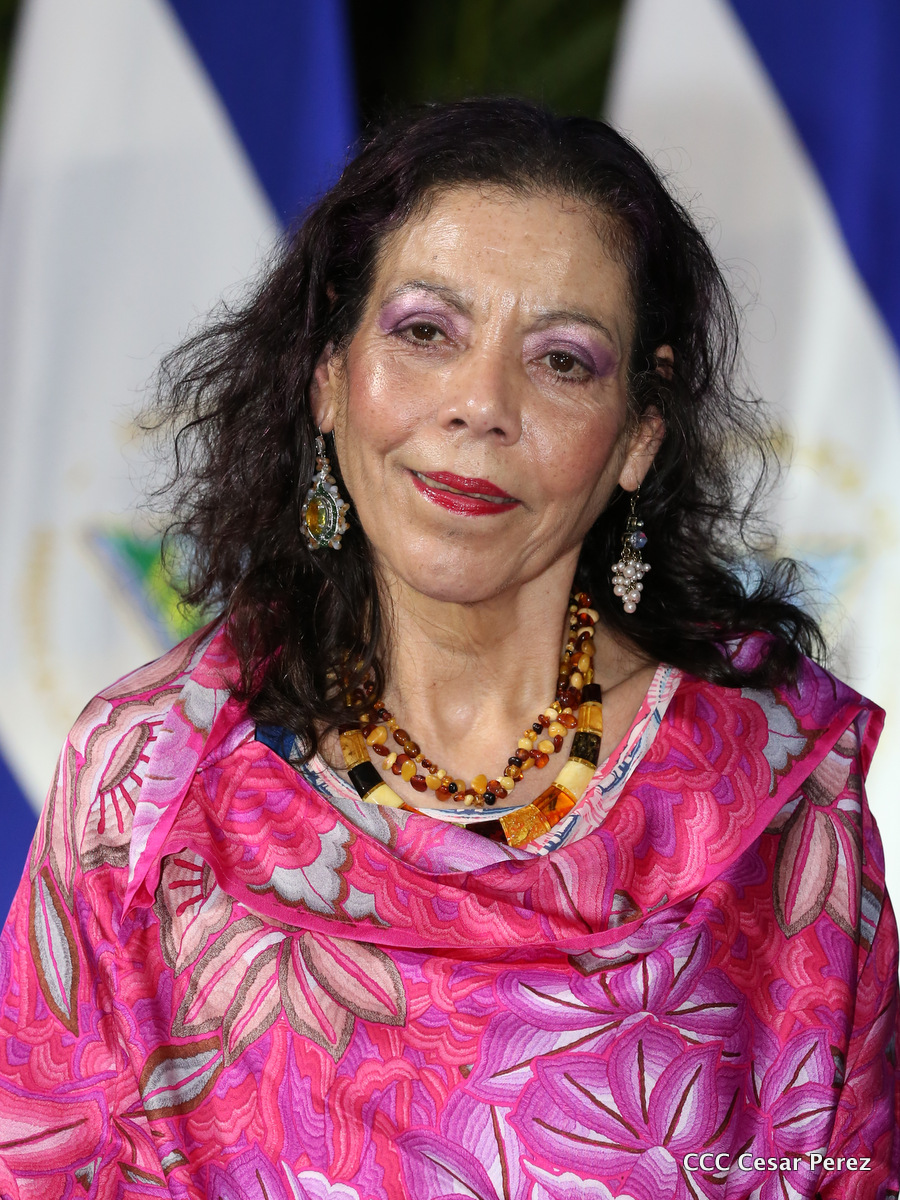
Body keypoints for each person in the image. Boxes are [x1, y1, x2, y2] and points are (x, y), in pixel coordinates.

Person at [0, 98, 895, 1199]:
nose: (481, 405)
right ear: (330, 376)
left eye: (562, 361)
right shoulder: (146, 780)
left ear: (637, 436)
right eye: (426, 333)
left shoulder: (775, 790)